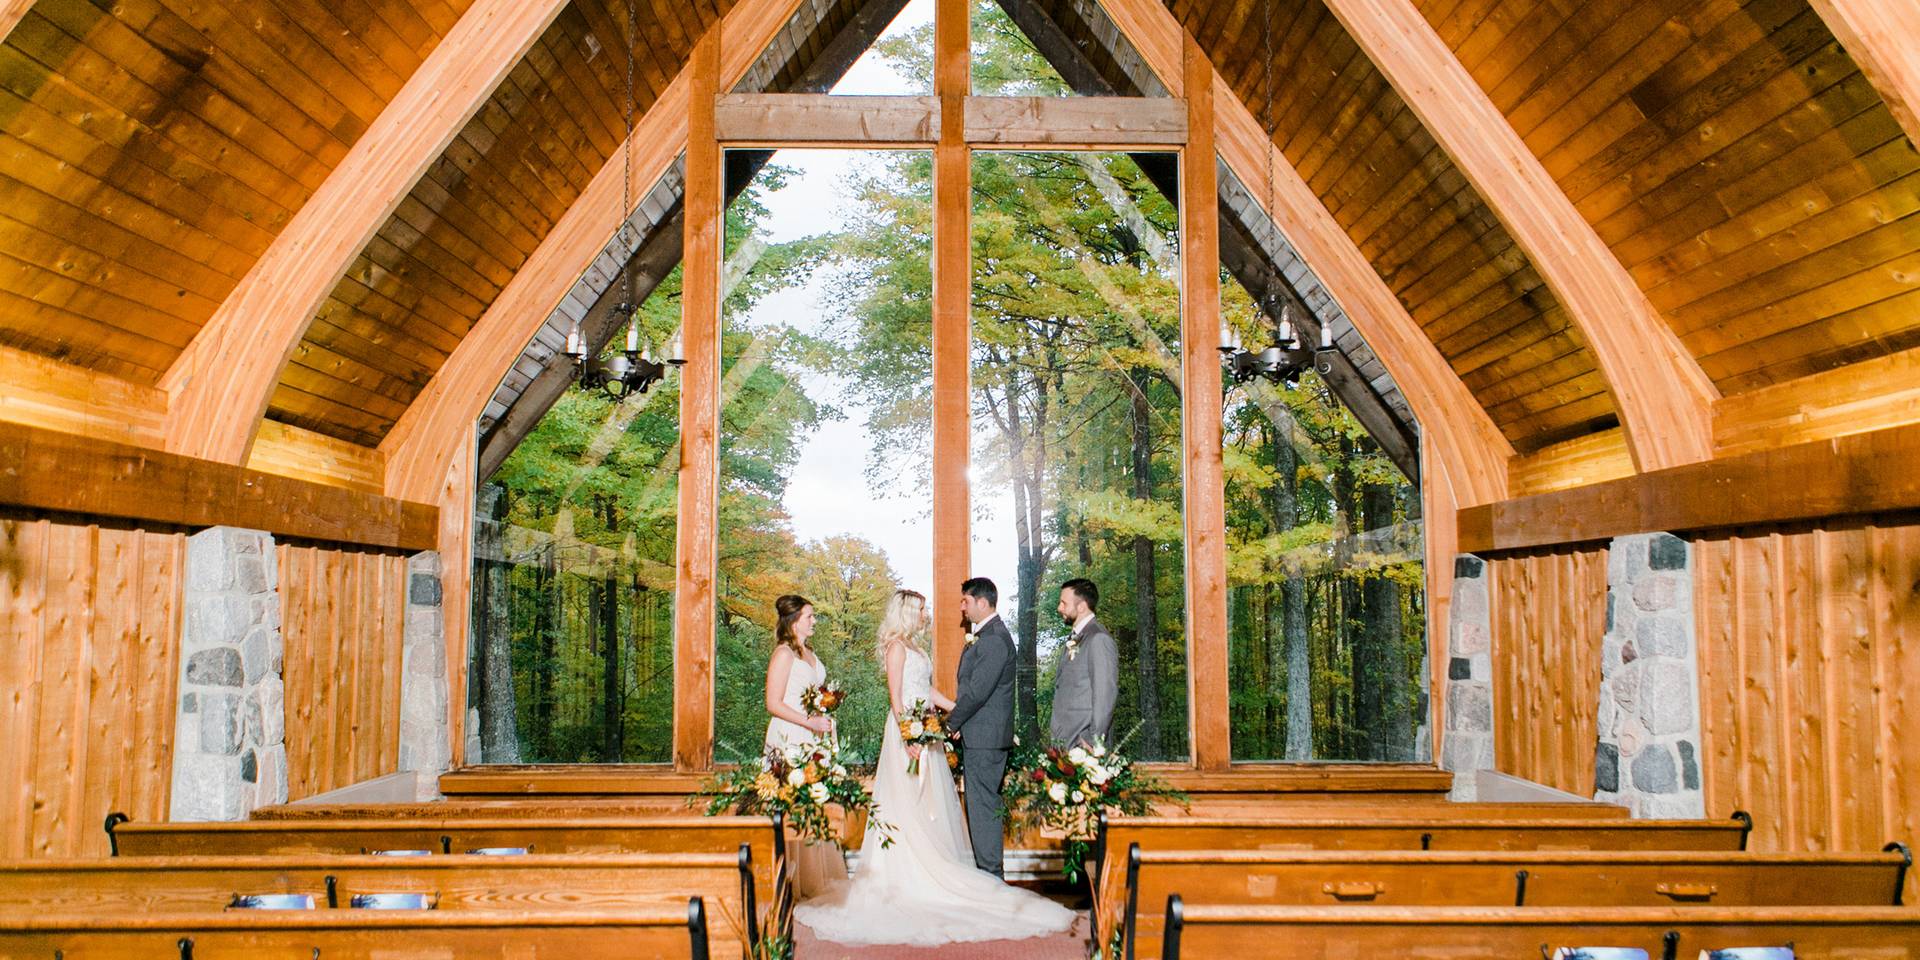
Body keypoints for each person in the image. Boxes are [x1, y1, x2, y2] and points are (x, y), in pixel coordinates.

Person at [793, 589, 1075, 946]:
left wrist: (959, 714)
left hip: (928, 734)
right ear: (908, 612)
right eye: (922, 609)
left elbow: (927, 692)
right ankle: (903, 876)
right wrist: (909, 735)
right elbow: (896, 697)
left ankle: (934, 868)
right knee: (906, 803)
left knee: (929, 807)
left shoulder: (917, 649)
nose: (926, 614)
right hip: (906, 737)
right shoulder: (896, 647)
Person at [762, 594, 847, 899]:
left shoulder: (808, 652)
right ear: (794, 620)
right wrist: (807, 721)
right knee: (791, 806)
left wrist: (823, 711)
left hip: (812, 736)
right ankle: (791, 885)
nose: (814, 621)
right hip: (789, 736)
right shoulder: (784, 654)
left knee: (813, 804)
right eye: (809, 617)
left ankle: (815, 880)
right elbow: (772, 703)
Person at [1049, 578, 1118, 750]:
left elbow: (1105, 695)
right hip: (1066, 743)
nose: (1059, 608)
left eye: (1064, 603)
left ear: (1081, 606)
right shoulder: (1078, 637)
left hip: (1083, 746)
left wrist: (1093, 740)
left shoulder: (1098, 638)